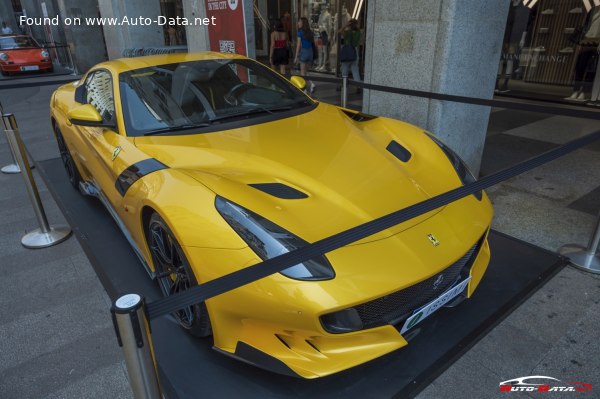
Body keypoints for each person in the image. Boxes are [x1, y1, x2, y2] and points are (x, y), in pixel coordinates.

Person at [294, 17, 316, 93]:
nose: (298, 23)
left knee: (302, 73)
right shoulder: (310, 32)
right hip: (310, 52)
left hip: (304, 52)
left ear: (302, 23)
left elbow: (298, 45)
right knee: (306, 71)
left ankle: (305, 90)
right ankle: (311, 83)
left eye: (299, 21)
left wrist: (296, 56)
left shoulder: (300, 32)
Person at [339, 19, 361, 89]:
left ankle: (344, 85)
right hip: (355, 51)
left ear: (350, 25)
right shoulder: (358, 32)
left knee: (344, 69)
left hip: (347, 52)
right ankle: (358, 86)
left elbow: (339, 31)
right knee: (355, 70)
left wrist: (345, 25)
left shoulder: (348, 32)